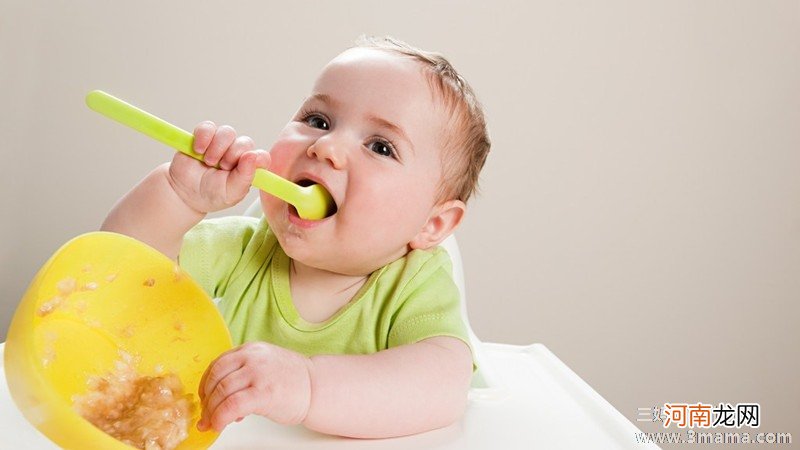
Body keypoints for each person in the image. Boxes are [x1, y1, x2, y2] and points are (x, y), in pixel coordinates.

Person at [101, 36, 490, 439]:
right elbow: (118, 272)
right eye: (319, 121)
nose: (327, 146)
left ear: (433, 225)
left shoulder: (414, 284)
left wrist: (307, 385)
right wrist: (178, 195)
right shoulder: (246, 249)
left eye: (380, 146)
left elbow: (444, 385)